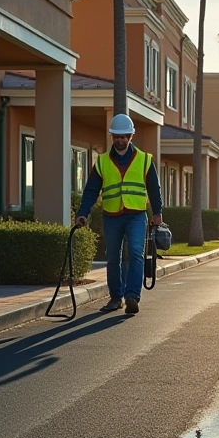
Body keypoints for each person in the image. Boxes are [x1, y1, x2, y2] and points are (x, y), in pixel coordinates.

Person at [75, 114, 163, 314]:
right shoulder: (102, 162)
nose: (121, 140)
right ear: (112, 137)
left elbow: (154, 189)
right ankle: (116, 298)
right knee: (113, 258)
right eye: (117, 137)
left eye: (124, 136)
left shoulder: (144, 160)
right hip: (111, 215)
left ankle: (132, 296)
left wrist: (157, 212)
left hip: (136, 215)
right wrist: (83, 212)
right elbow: (91, 191)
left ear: (131, 135)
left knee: (135, 253)